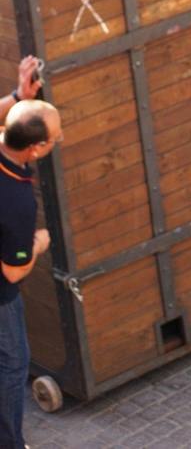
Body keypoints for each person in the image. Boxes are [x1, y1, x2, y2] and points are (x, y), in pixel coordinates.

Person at [0, 93, 62, 449]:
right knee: (12, 363)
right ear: (36, 149)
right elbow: (12, 272)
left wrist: (18, 96)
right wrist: (38, 242)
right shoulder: (18, 201)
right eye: (55, 137)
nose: (58, 140)